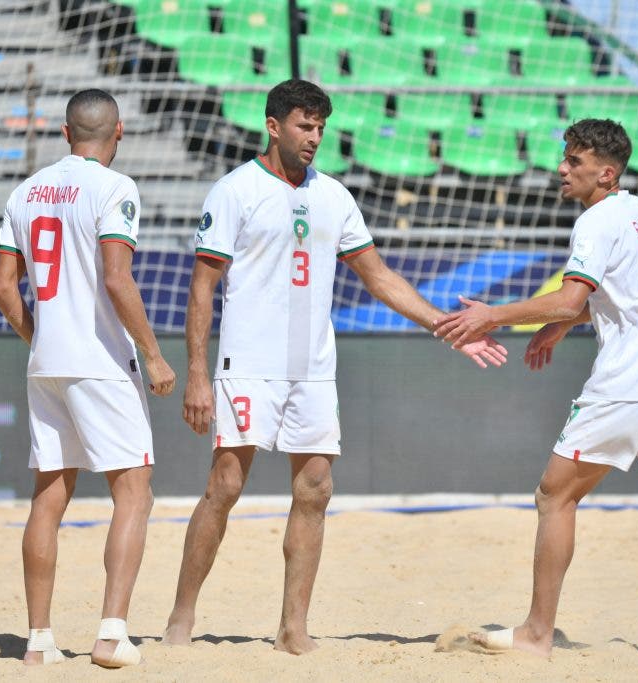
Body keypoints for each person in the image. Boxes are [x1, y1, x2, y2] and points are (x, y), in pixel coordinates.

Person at [162, 78, 507, 655]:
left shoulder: (334, 195)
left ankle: (293, 627)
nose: (314, 137)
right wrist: (196, 372)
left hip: (313, 369)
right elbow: (202, 287)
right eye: (304, 125)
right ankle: (181, 615)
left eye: (321, 127)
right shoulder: (235, 190)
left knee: (316, 488)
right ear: (273, 126)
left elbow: (379, 278)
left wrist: (448, 328)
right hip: (247, 363)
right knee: (223, 486)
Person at [432, 118, 638, 659]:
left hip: (628, 382)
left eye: (574, 161)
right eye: (564, 158)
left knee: (554, 495)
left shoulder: (595, 221)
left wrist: (492, 316)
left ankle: (535, 635)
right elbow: (619, 293)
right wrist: (562, 325)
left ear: (606, 172)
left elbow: (574, 298)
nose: (561, 169)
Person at [0, 89, 176, 668]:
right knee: (133, 490)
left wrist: (40, 338)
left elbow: (2, 289)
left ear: (65, 133)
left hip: (46, 362)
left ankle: (39, 641)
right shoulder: (115, 188)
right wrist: (153, 354)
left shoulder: (25, 190)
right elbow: (118, 280)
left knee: (48, 497)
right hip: (99, 360)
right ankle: (111, 634)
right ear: (118, 132)